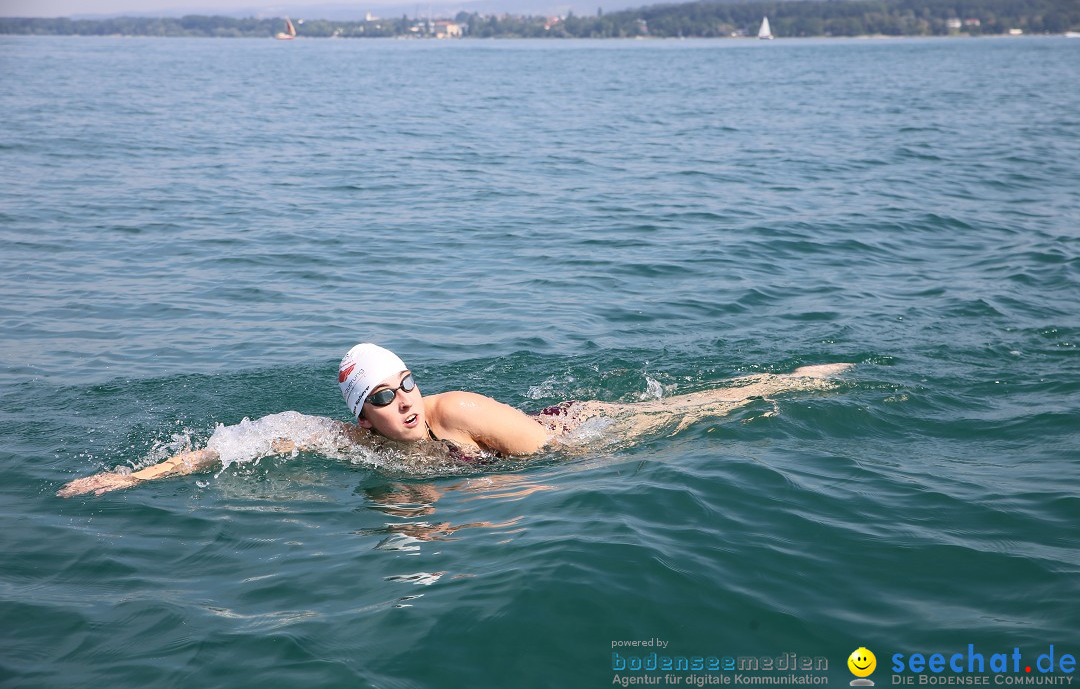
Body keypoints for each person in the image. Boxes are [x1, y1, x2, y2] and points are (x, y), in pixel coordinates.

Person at [57, 343, 852, 497]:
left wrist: (495, 490)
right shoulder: (341, 441)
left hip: (562, 433)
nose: (404, 400)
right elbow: (227, 450)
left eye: (406, 383)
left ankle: (793, 379)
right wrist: (130, 476)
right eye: (382, 396)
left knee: (675, 415)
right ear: (358, 417)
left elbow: (559, 461)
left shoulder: (456, 411)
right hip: (463, 472)